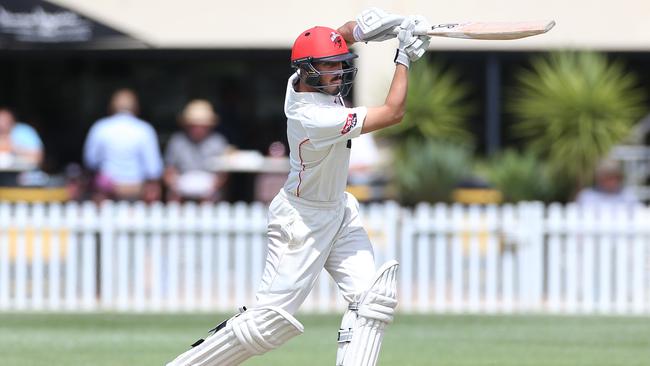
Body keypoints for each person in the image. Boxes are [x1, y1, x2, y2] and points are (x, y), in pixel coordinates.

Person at [166, 7, 430, 366]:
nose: (338, 71)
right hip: (301, 222)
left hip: (338, 209)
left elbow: (337, 38)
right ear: (308, 70)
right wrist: (403, 56)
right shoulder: (315, 115)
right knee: (266, 324)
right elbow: (394, 112)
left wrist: (367, 30)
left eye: (340, 64)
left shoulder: (307, 77)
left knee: (372, 300)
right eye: (330, 66)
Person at [83, 89, 163, 202]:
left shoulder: (100, 128)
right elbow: (153, 169)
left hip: (107, 190)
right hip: (137, 190)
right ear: (136, 108)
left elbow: (90, 161)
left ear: (111, 107)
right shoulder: (144, 129)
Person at [163, 99, 230, 202]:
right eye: (194, 125)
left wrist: (213, 187)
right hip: (181, 185)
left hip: (210, 188)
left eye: (202, 125)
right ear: (187, 125)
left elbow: (224, 173)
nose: (198, 129)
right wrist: (174, 185)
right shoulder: (177, 141)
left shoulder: (218, 142)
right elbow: (169, 169)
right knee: (172, 198)